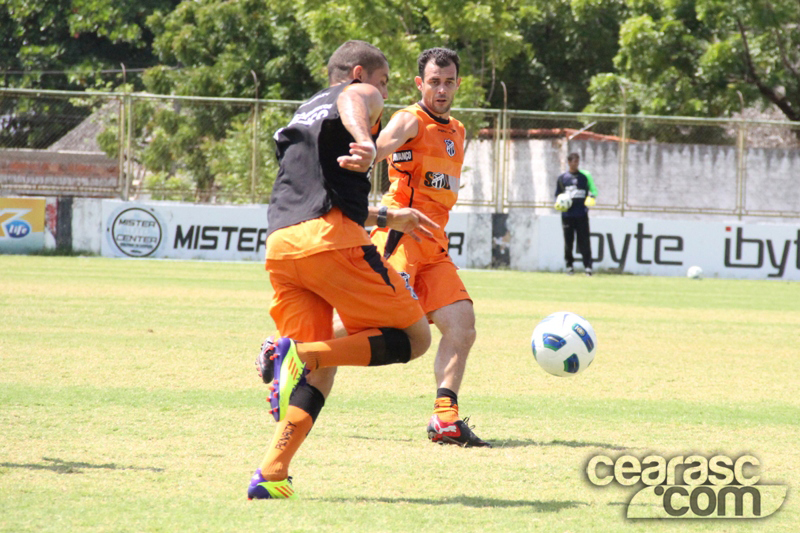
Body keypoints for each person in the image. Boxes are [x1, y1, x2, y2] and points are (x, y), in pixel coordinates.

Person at [247, 40, 440, 500]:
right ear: (358, 72)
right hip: (330, 245)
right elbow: (357, 100)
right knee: (415, 339)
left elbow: (323, 192)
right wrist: (368, 144)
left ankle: (272, 474)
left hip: (282, 247)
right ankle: (297, 355)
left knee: (321, 367)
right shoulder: (355, 93)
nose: (384, 93)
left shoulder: (301, 113)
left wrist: (389, 219)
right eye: (385, 82)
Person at [372, 47, 490, 447]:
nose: (441, 89)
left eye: (448, 82)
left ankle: (445, 418)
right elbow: (383, 143)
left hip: (434, 246)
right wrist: (368, 152)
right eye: (434, 82)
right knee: (379, 322)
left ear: (458, 84)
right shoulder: (410, 119)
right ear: (420, 84)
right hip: (399, 237)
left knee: (462, 326)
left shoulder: (458, 130)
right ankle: (289, 347)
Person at [554, 152, 598, 276]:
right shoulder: (563, 178)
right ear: (569, 162)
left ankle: (588, 267)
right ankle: (569, 266)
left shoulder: (584, 177)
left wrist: (591, 198)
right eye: (574, 162)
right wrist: (559, 203)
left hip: (581, 215)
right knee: (569, 242)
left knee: (584, 241)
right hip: (568, 216)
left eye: (578, 161)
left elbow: (593, 191)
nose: (576, 164)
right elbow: (557, 195)